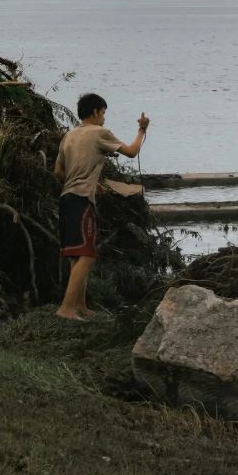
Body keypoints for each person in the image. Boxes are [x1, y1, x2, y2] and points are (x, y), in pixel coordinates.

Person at [53, 92, 148, 320]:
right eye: (103, 113)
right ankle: (66, 308)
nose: (104, 118)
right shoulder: (99, 132)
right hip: (81, 199)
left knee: (78, 254)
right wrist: (142, 129)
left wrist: (85, 180)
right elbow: (131, 152)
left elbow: (58, 171)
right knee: (88, 255)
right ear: (95, 112)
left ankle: (81, 306)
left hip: (67, 198)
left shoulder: (68, 136)